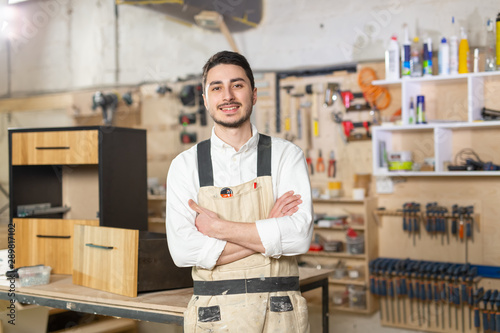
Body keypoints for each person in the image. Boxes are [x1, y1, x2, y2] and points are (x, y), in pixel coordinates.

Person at [165, 50, 313, 332]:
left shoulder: (286, 156)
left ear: (253, 94)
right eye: (217, 87)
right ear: (205, 98)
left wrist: (217, 228)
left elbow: (299, 237)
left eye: (238, 85)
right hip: (214, 316)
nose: (228, 95)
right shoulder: (185, 165)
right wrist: (270, 230)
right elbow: (183, 252)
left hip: (280, 313)